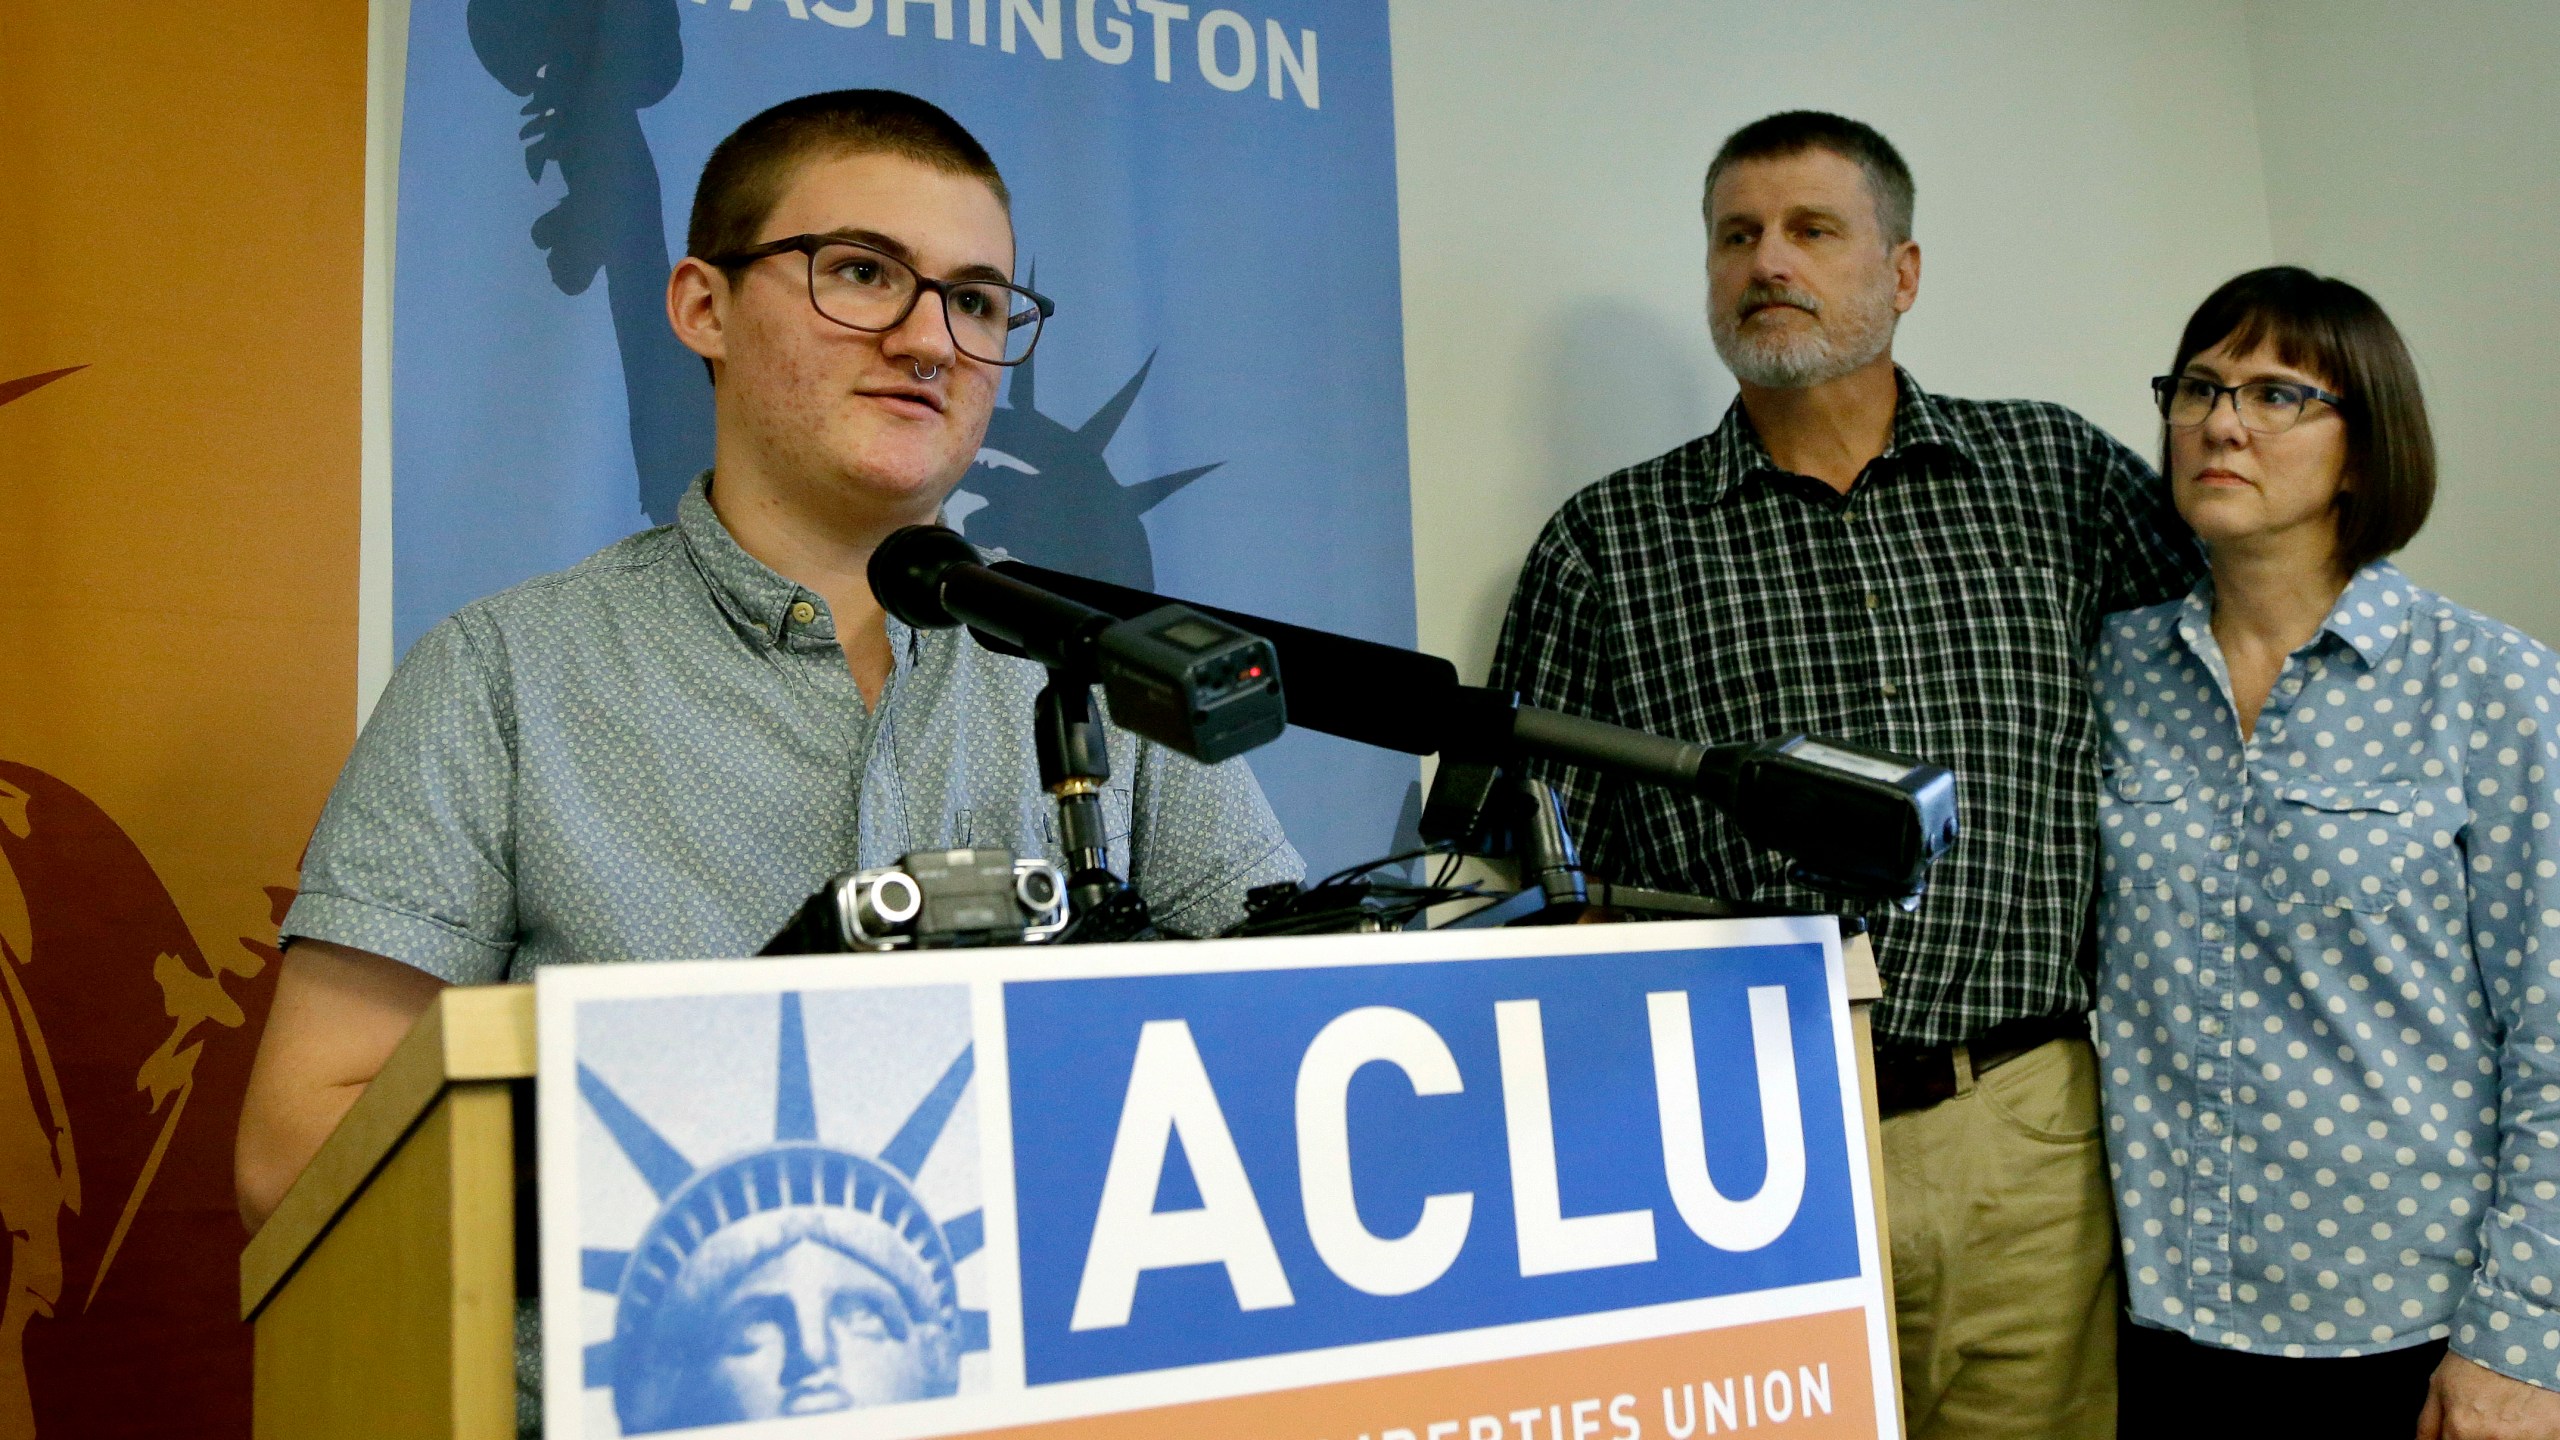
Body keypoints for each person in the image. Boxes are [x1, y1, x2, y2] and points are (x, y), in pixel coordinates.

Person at [234, 89, 1302, 1230]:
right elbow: (297, 1150)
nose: (930, 341)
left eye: (977, 301)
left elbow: (1290, 1035)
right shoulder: (502, 674)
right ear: (704, 306)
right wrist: (750, 1131)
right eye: (860, 272)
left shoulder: (1096, 669)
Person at [1490, 110, 2202, 1439]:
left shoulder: (2050, 474)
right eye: (1738, 236)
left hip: (2024, 1141)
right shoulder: (1609, 543)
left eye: (1813, 230)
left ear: (1903, 273)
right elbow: (1526, 867)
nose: (1770, 261)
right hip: (1741, 1147)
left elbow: (2229, 667)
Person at [2097, 267, 2560, 1439]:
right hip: (2156, 1324)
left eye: (2275, 395)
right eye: (2197, 387)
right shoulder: (2108, 678)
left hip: (2405, 1332)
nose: (2220, 421)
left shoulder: (2490, 686)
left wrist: (2520, 1339)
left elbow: (2555, 1030)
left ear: (2362, 448)